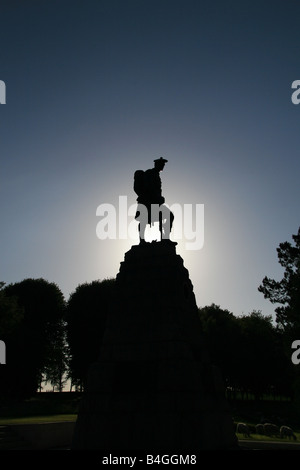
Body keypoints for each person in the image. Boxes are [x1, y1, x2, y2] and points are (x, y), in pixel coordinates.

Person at [134, 157, 174, 243]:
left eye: (163, 165)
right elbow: (148, 187)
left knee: (169, 215)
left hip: (156, 202)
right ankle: (142, 240)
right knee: (144, 220)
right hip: (147, 201)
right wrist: (156, 197)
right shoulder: (150, 173)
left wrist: (160, 198)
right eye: (161, 164)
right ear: (156, 164)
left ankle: (165, 238)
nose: (163, 166)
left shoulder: (157, 175)